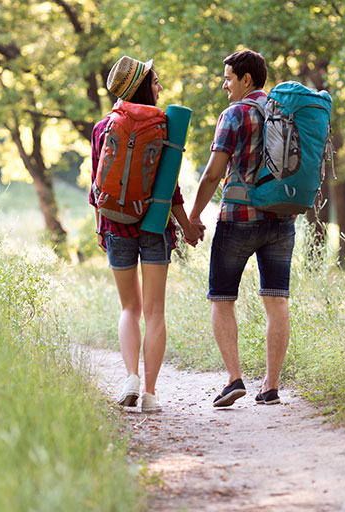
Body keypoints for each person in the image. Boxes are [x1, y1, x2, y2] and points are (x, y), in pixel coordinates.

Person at [90, 56, 200, 413]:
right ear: (142, 86)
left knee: (129, 308)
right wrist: (185, 224)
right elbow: (171, 189)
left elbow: (95, 185)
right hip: (155, 227)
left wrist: (100, 227)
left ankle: (130, 379)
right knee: (154, 312)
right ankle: (151, 394)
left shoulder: (103, 127)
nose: (160, 87)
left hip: (115, 225)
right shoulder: (165, 125)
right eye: (155, 82)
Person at [188, 49, 295, 407]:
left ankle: (234, 379)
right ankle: (271, 386)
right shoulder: (284, 112)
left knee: (221, 298)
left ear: (246, 79)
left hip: (238, 219)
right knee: (276, 299)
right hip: (281, 218)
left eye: (229, 77)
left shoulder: (234, 114)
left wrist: (194, 215)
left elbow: (213, 173)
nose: (224, 84)